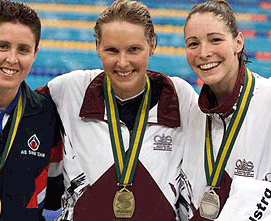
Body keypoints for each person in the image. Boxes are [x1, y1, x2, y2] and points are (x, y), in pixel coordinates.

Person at [36, 0, 198, 220]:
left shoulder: (178, 96)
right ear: (97, 47)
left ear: (152, 45)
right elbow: (14, 108)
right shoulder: (69, 91)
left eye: (133, 49)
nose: (123, 62)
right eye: (112, 50)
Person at [0, 1, 63, 220]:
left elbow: (53, 199)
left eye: (23, 50)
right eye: (2, 46)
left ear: (35, 54)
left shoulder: (45, 115)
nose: (12, 59)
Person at [180, 0, 271, 220]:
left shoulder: (267, 100)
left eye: (215, 40)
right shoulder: (191, 113)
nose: (204, 52)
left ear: (238, 42)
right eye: (193, 44)